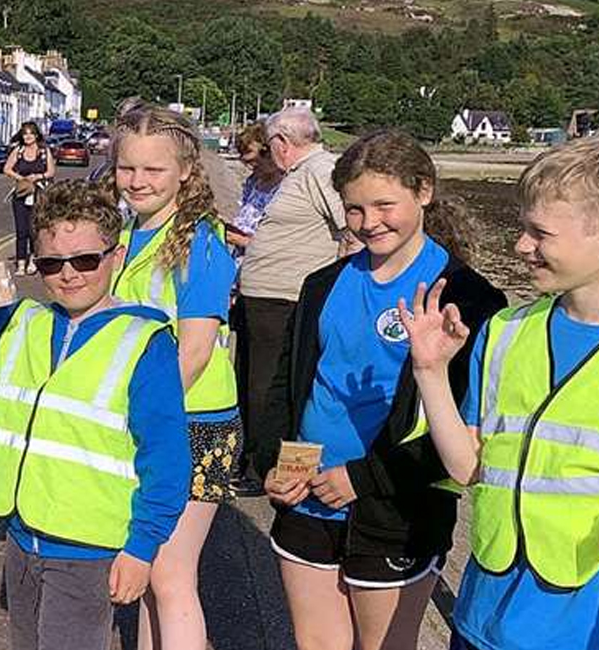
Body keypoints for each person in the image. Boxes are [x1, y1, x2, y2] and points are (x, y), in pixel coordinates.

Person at [256, 130, 506, 650]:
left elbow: (466, 430)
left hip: (395, 511)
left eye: (384, 205)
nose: (369, 222)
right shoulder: (322, 284)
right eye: (354, 209)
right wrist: (271, 462)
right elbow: (285, 386)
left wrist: (361, 478)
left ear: (424, 191)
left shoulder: (471, 298)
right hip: (306, 499)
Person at [0, 180, 190, 650]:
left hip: (88, 549)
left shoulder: (143, 343)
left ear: (116, 255)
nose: (68, 275)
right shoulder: (23, 322)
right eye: (51, 263)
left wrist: (142, 548)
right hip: (22, 535)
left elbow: (166, 460)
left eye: (85, 260)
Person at [401, 136, 599, 650]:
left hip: (574, 630)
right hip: (482, 616)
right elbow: (467, 466)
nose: (521, 247)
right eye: (522, 228)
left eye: (540, 233)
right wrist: (430, 372)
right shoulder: (505, 331)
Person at [106, 99, 239, 650]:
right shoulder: (128, 231)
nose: (137, 181)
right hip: (156, 417)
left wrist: (139, 419)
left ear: (185, 170)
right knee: (148, 577)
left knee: (168, 574)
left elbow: (197, 351)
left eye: (152, 169)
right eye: (126, 167)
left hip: (193, 421)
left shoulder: (199, 242)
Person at [233, 107, 355, 497]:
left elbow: (352, 228)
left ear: (283, 142)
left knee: (271, 388)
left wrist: (342, 288)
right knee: (252, 382)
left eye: (271, 145)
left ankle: (265, 467)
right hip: (266, 298)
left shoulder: (321, 170)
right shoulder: (302, 173)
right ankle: (253, 460)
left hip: (285, 300)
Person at [3, 121, 56, 276]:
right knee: (21, 231)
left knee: (34, 230)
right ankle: (20, 264)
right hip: (21, 194)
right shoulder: (18, 151)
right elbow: (7, 169)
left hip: (38, 194)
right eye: (25, 134)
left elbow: (51, 172)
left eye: (31, 133)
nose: (28, 136)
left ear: (36, 135)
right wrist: (21, 178)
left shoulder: (44, 151)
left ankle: (33, 260)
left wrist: (38, 176)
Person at [226, 120, 283, 262]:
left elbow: (282, 244)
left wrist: (239, 239)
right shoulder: (253, 182)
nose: (250, 167)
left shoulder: (286, 188)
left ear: (270, 153)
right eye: (246, 162)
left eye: (254, 161)